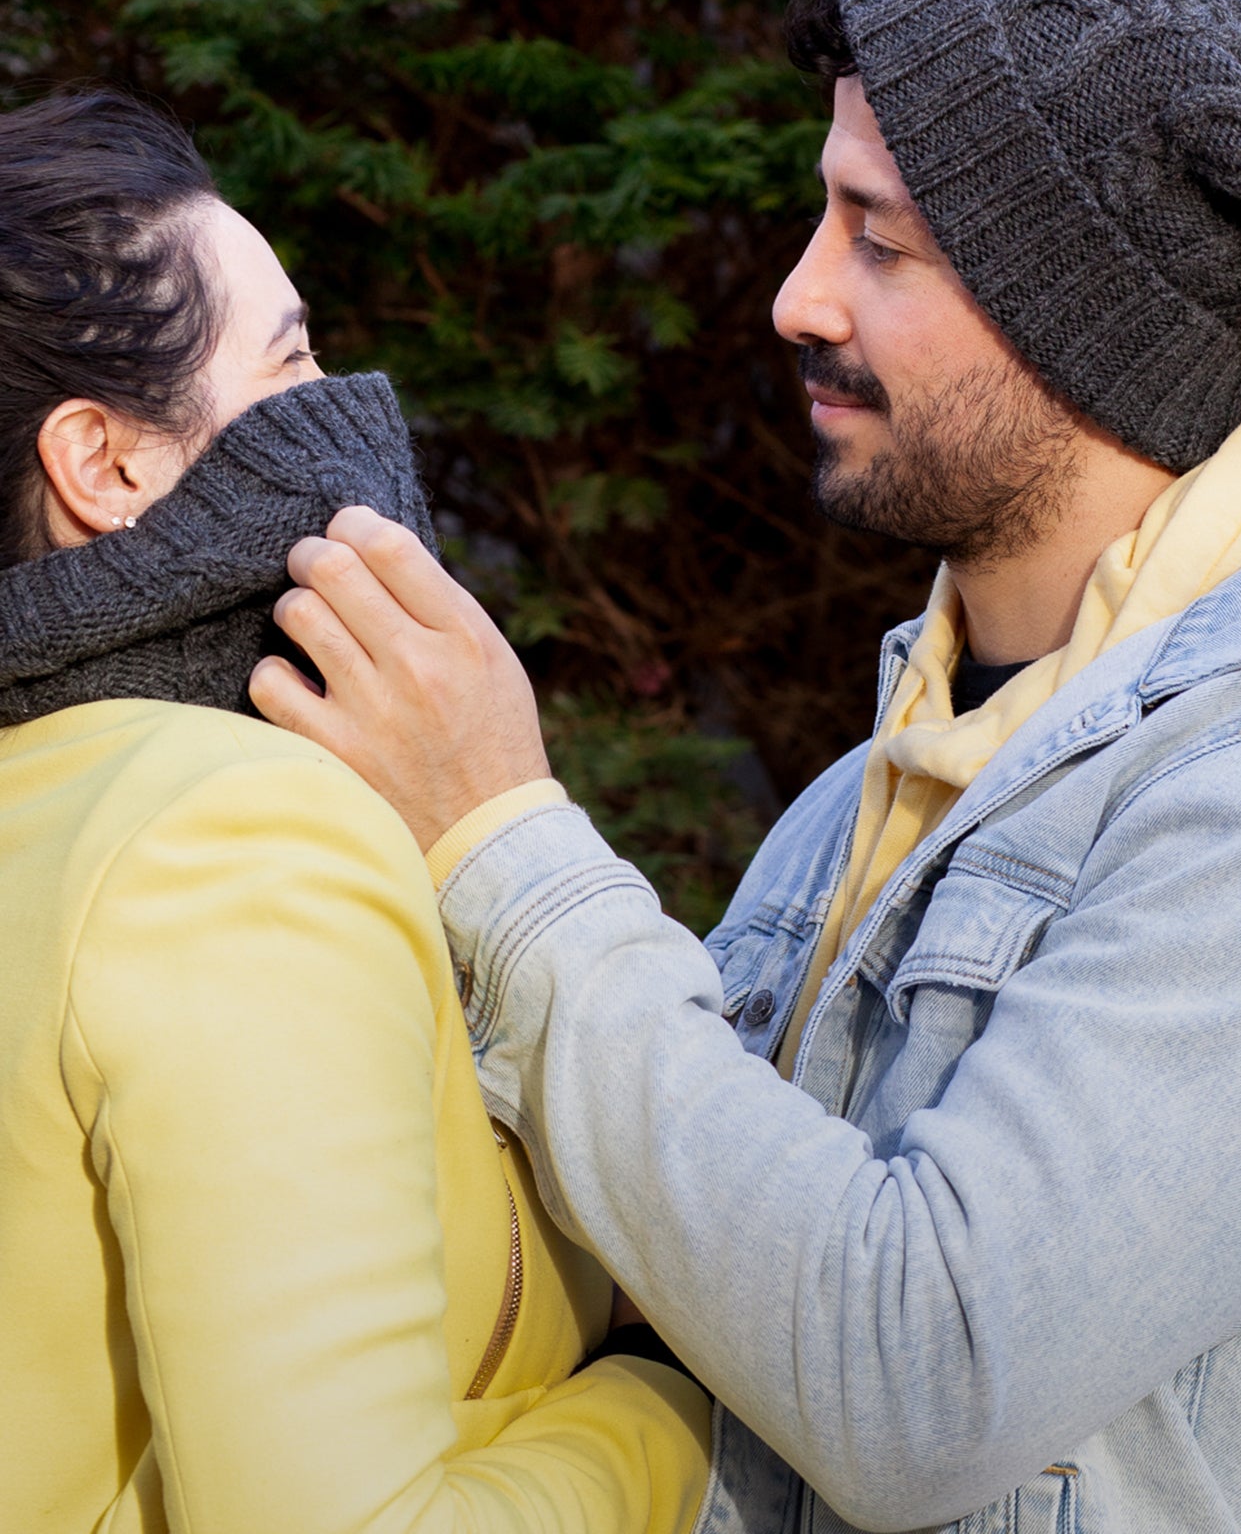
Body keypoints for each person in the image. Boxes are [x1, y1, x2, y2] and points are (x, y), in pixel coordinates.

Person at [255, 0, 1241, 1533]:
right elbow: (665, 1285)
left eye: (882, 238)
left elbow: (920, 1381)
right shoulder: (881, 787)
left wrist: (504, 844)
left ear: (1096, 314)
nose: (799, 297)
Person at [0, 87, 709, 1534]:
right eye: (294, 360)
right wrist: (679, 1408)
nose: (344, 408)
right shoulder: (231, 837)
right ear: (107, 465)